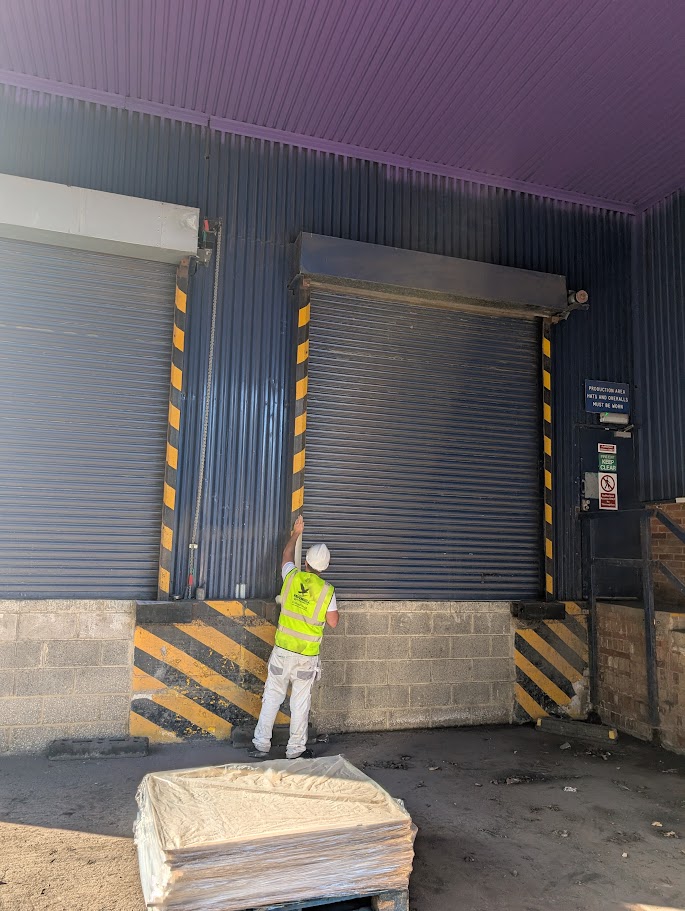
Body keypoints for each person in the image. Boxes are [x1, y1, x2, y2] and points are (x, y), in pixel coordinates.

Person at [249, 515, 338, 760]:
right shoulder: (327, 592)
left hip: (282, 652)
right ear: (325, 567)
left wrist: (296, 532)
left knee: (272, 697)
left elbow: (286, 557)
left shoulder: (291, 577)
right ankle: (295, 750)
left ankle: (260, 745)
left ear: (306, 562)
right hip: (305, 658)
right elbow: (333, 622)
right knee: (300, 704)